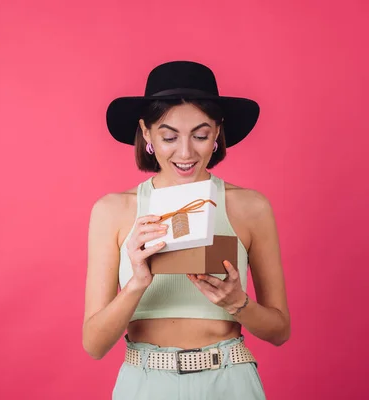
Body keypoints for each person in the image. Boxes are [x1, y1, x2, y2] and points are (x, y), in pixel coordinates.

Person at [82, 60, 290, 399]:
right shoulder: (113, 211)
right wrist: (137, 283)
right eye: (169, 136)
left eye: (201, 135)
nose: (185, 152)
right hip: (145, 382)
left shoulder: (250, 207)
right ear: (146, 133)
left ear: (218, 133)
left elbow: (280, 331)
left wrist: (238, 303)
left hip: (229, 378)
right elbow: (93, 344)